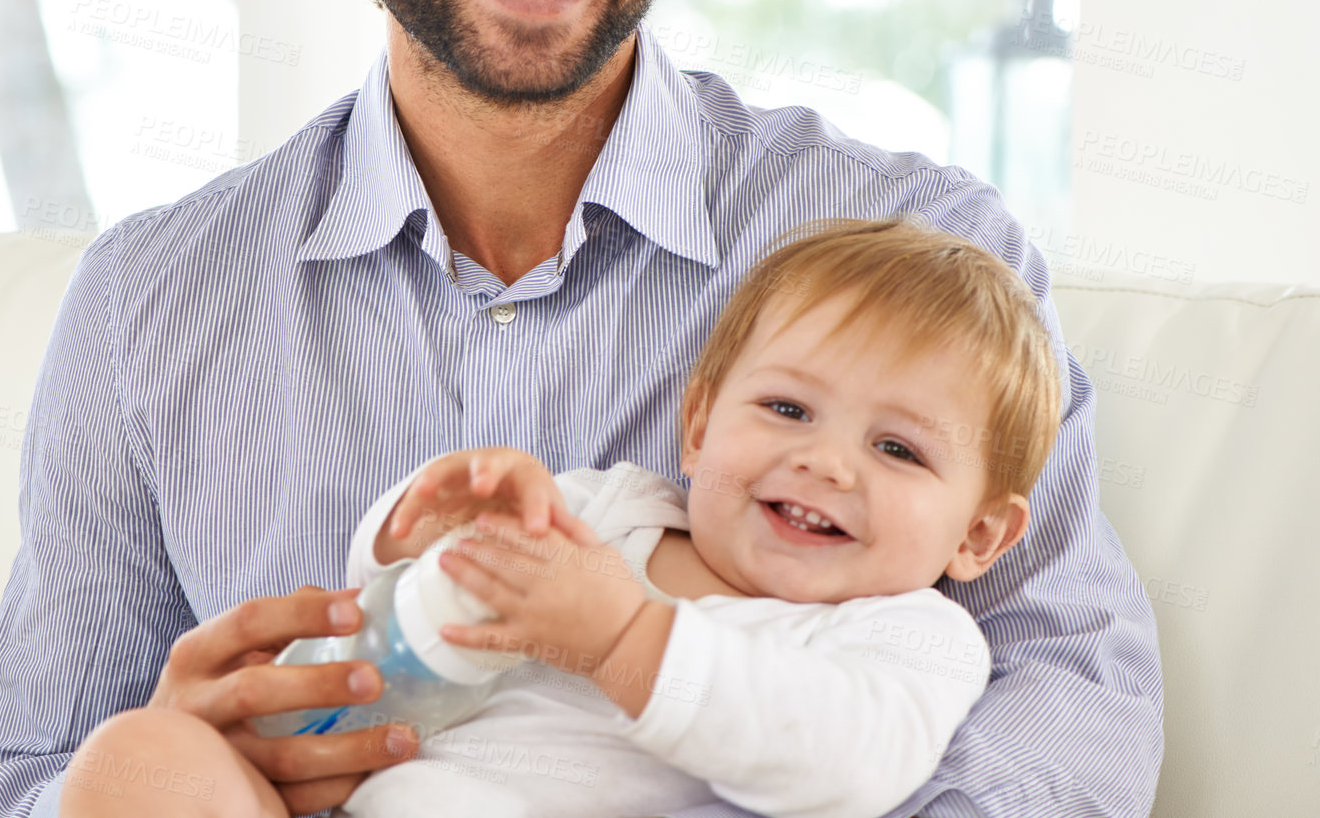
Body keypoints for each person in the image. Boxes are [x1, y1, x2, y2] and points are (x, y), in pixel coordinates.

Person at [0, 0, 1162, 816]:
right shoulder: (148, 304)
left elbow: (1069, 703)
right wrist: (178, 750)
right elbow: (10, 772)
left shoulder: (934, 263)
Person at [318, 217, 1061, 818]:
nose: (826, 462)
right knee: (201, 758)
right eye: (787, 408)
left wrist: (623, 640)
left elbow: (845, 766)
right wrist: (422, 525)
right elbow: (388, 605)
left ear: (976, 534)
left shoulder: (906, 636)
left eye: (897, 448)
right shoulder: (601, 509)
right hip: (351, 787)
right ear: (699, 428)